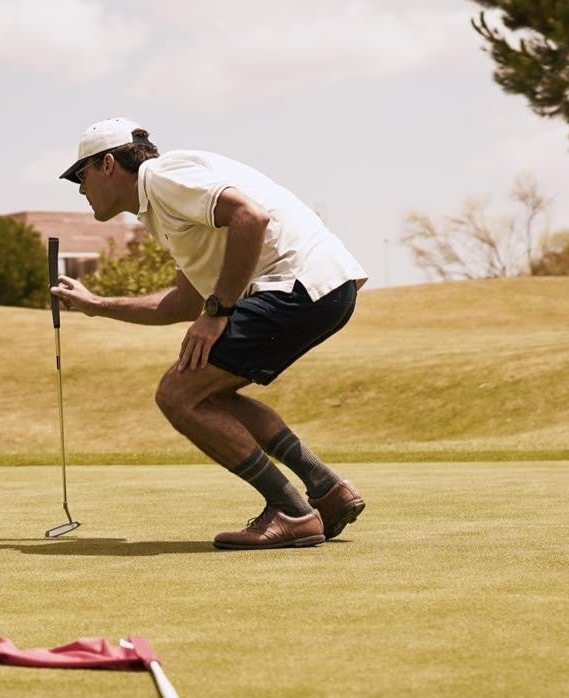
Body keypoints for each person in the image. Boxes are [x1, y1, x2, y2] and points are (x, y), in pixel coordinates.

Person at [51, 117, 368, 550]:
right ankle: (327, 489)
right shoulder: (161, 205)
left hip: (298, 286)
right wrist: (97, 306)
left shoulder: (161, 177)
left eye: (80, 175)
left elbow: (249, 217)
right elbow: (181, 304)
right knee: (209, 393)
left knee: (178, 394)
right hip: (324, 288)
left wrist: (218, 310)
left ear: (108, 164)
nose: (79, 188)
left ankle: (291, 511)